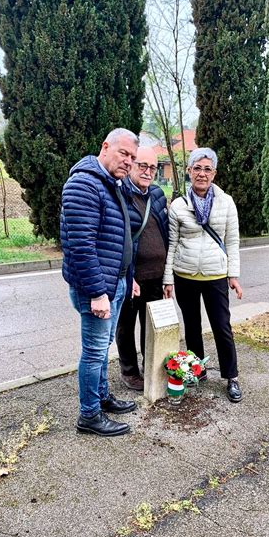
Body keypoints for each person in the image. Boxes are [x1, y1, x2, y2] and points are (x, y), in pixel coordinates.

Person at [60, 128, 143, 437]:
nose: (129, 162)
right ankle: (89, 415)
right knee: (94, 352)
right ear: (105, 146)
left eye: (133, 158)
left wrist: (129, 277)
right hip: (97, 288)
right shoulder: (83, 184)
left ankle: (103, 398)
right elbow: (81, 246)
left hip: (116, 282)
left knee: (103, 347)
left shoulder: (113, 184)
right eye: (124, 154)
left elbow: (120, 239)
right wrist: (97, 292)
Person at [162, 147, 243, 403]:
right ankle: (197, 370)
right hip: (185, 275)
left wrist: (233, 275)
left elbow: (232, 241)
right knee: (192, 327)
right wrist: (168, 279)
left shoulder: (226, 202)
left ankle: (231, 377)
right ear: (189, 171)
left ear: (214, 173)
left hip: (215, 275)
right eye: (197, 168)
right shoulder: (178, 205)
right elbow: (171, 244)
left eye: (207, 169)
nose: (202, 174)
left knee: (222, 327)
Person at [116, 147, 168, 391]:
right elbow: (116, 240)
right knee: (126, 325)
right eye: (142, 166)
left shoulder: (157, 194)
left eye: (153, 168)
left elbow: (166, 233)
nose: (148, 172)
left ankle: (151, 367)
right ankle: (129, 372)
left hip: (156, 276)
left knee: (152, 326)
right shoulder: (119, 193)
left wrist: (168, 276)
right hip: (132, 277)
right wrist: (128, 274)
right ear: (132, 165)